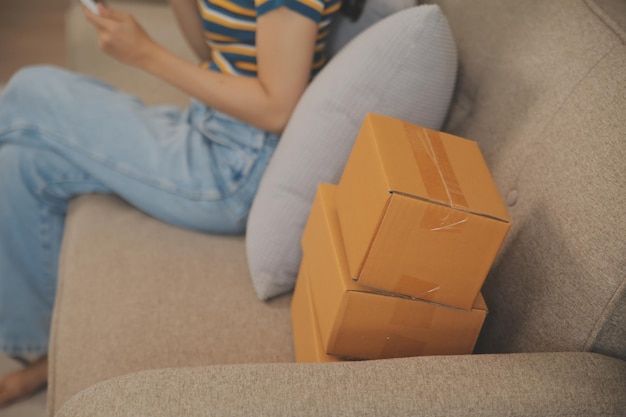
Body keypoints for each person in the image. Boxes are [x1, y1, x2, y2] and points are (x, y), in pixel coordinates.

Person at [0, 0, 344, 407]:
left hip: (234, 170)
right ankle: (42, 350)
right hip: (211, 128)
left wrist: (145, 53)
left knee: (31, 91)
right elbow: (217, 53)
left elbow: (276, 108)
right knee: (20, 163)